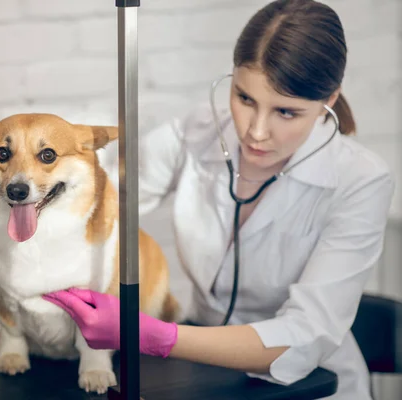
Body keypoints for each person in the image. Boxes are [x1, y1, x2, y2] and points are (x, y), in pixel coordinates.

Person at [43, 0, 395, 398]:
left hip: (312, 385)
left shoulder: (360, 180)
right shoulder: (198, 130)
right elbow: (100, 203)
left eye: (286, 112)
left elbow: (306, 334)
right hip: (205, 373)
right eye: (244, 98)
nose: (256, 132)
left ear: (329, 100)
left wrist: (156, 335)